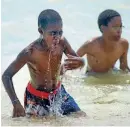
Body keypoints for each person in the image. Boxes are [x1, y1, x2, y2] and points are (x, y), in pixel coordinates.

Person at [2, 9, 85, 118]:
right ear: (41, 31)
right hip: (36, 98)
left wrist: (82, 62)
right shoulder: (30, 52)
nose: (57, 37)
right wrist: (15, 103)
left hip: (59, 93)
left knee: (82, 118)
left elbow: (76, 60)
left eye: (60, 32)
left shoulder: (62, 43)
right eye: (53, 33)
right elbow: (6, 76)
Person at [77, 9, 130, 74]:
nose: (119, 31)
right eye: (115, 27)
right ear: (103, 28)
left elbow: (124, 68)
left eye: (120, 26)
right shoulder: (90, 45)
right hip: (92, 76)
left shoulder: (123, 44)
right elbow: (70, 62)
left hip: (111, 74)